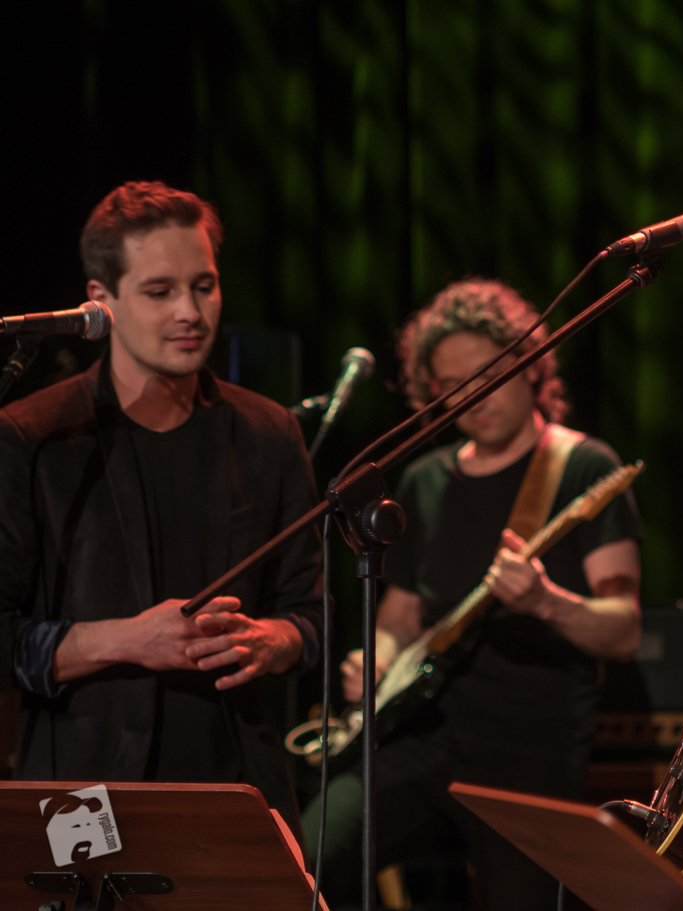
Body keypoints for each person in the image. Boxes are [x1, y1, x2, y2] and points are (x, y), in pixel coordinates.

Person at [303, 278, 642, 909]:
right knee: (305, 857)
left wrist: (546, 602)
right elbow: (401, 613)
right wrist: (377, 657)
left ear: (530, 367)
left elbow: (623, 628)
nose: (473, 396)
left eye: (488, 375)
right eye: (452, 384)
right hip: (422, 736)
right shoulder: (424, 479)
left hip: (528, 753)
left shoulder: (582, 465)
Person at [0, 181, 323, 836]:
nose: (190, 312)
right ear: (101, 301)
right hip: (82, 793)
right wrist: (130, 639)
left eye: (204, 286)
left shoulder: (269, 432)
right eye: (159, 291)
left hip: (238, 787)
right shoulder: (34, 435)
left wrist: (274, 641)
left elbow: (313, 616)